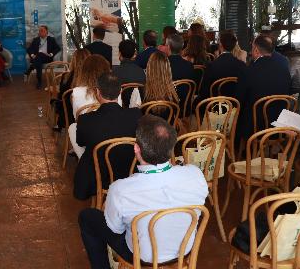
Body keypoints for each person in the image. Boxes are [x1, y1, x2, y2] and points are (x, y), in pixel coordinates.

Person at [78, 115, 208, 268]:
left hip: (141, 256)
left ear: (136, 148)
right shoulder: (195, 174)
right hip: (184, 250)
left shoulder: (120, 189)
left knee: (87, 217)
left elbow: (115, 229)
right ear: (171, 148)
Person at [73, 73, 142, 201]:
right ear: (120, 92)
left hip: (99, 176)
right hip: (130, 171)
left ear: (97, 92)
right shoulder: (136, 115)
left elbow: (80, 142)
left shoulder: (85, 120)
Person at [235, 35, 291, 143]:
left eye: (252, 48)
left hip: (255, 128)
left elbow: (238, 100)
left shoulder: (248, 71)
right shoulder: (284, 70)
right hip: (280, 125)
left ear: (256, 50)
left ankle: (239, 148)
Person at [68, 55, 111, 158]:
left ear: (84, 71)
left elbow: (77, 118)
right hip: (112, 137)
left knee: (73, 127)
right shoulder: (115, 89)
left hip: (88, 140)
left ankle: (85, 158)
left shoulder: (76, 92)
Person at [197, 31, 247, 102]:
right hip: (236, 105)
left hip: (215, 105)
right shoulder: (242, 65)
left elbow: (204, 92)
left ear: (220, 44)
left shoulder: (211, 66)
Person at [55, 49, 90, 130]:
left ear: (73, 60)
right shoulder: (91, 79)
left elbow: (61, 97)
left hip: (69, 116)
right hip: (89, 115)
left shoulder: (65, 77)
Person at [143, 52, 179, 119]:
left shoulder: (142, 90)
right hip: (168, 125)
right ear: (167, 68)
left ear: (149, 67)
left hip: (148, 125)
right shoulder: (173, 89)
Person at [25, 25, 61, 89]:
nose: (40, 32)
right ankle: (39, 81)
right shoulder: (36, 40)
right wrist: (32, 55)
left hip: (47, 57)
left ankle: (31, 67)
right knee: (39, 57)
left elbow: (58, 48)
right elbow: (29, 49)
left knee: (40, 54)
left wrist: (51, 54)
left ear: (46, 32)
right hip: (37, 58)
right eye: (39, 31)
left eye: (42, 31)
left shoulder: (51, 39)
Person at [166, 34, 194, 114]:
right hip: (185, 107)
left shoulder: (163, 65)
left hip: (168, 108)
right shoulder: (189, 65)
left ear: (168, 47)